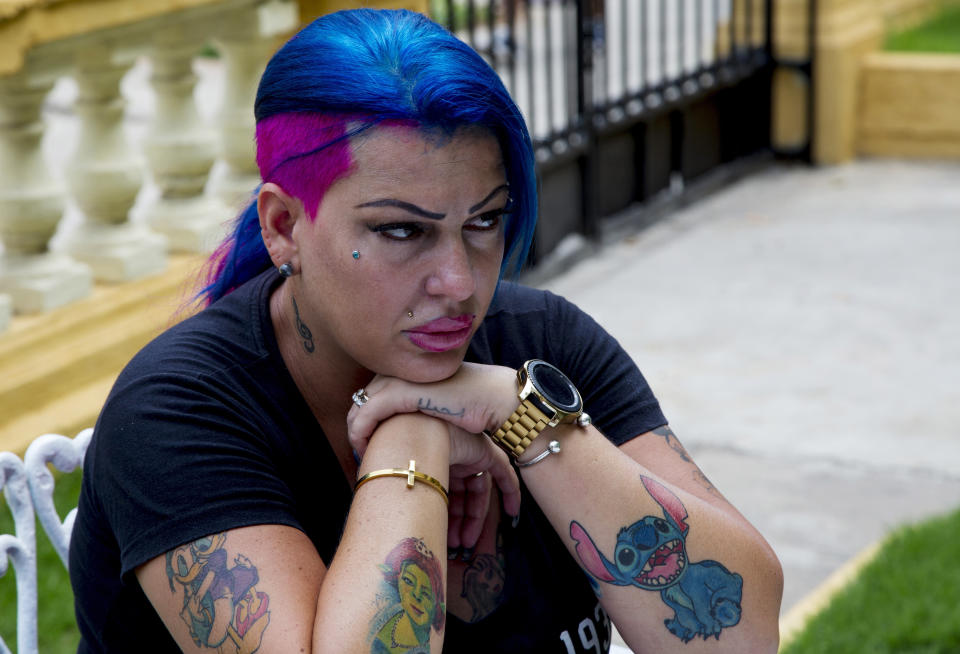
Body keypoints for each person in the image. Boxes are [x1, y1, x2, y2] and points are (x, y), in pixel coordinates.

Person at [68, 8, 783, 653]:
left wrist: (520, 418)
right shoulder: (178, 412)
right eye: (402, 230)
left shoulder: (541, 348)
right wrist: (415, 431)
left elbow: (741, 637)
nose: (461, 283)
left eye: (484, 222)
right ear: (284, 226)